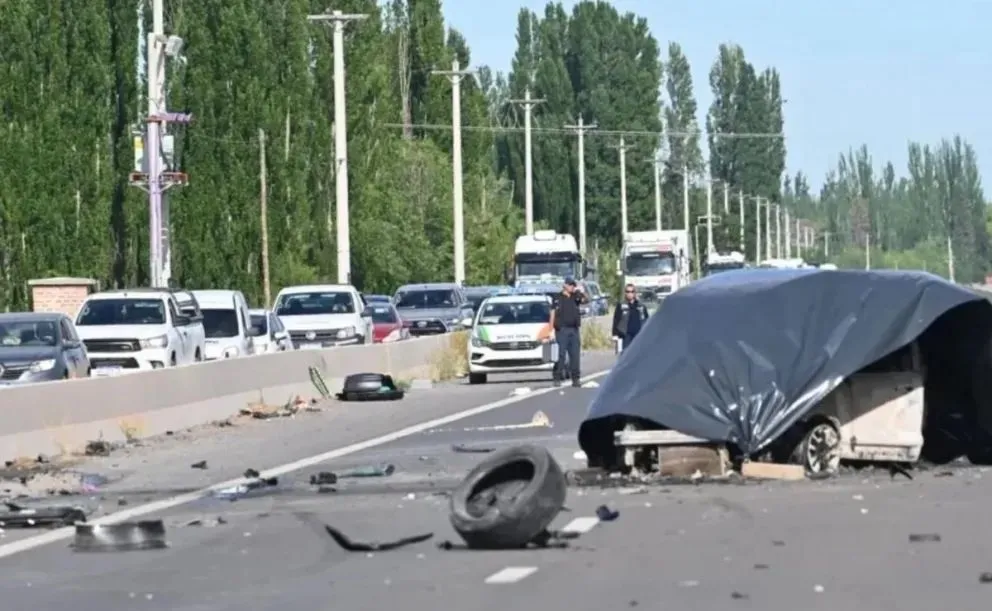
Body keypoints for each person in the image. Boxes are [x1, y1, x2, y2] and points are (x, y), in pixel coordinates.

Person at [550, 278, 588, 387]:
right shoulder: (557, 298)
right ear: (565, 285)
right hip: (561, 330)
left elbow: (586, 300)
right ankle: (557, 377)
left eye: (573, 285)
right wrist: (551, 330)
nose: (572, 287)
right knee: (560, 355)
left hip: (574, 329)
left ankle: (575, 378)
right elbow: (552, 314)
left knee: (575, 355)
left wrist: (581, 291)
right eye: (570, 285)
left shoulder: (576, 297)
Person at [612, 284, 650, 351]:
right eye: (628, 291)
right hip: (626, 335)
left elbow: (647, 320)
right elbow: (616, 320)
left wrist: (647, 333)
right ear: (625, 293)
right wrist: (615, 334)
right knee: (625, 355)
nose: (630, 293)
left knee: (638, 355)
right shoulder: (621, 305)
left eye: (632, 291)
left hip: (639, 335)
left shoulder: (641, 306)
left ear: (635, 293)